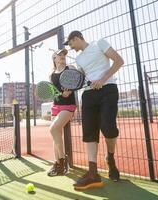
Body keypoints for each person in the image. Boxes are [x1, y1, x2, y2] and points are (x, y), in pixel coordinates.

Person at [63, 31, 124, 190]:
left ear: (76, 38)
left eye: (70, 43)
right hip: (89, 95)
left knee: (108, 128)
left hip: (108, 89)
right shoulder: (78, 59)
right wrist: (69, 89)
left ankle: (110, 157)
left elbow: (119, 61)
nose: (70, 47)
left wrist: (102, 79)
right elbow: (81, 79)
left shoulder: (99, 43)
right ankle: (92, 173)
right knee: (89, 132)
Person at [47, 48, 77, 177]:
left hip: (68, 105)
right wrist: (55, 92)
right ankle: (58, 163)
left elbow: (77, 81)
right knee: (55, 135)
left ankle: (63, 161)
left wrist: (69, 91)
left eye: (64, 54)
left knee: (53, 129)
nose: (62, 56)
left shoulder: (70, 68)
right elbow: (53, 90)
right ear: (54, 58)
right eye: (59, 55)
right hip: (56, 106)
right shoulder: (51, 74)